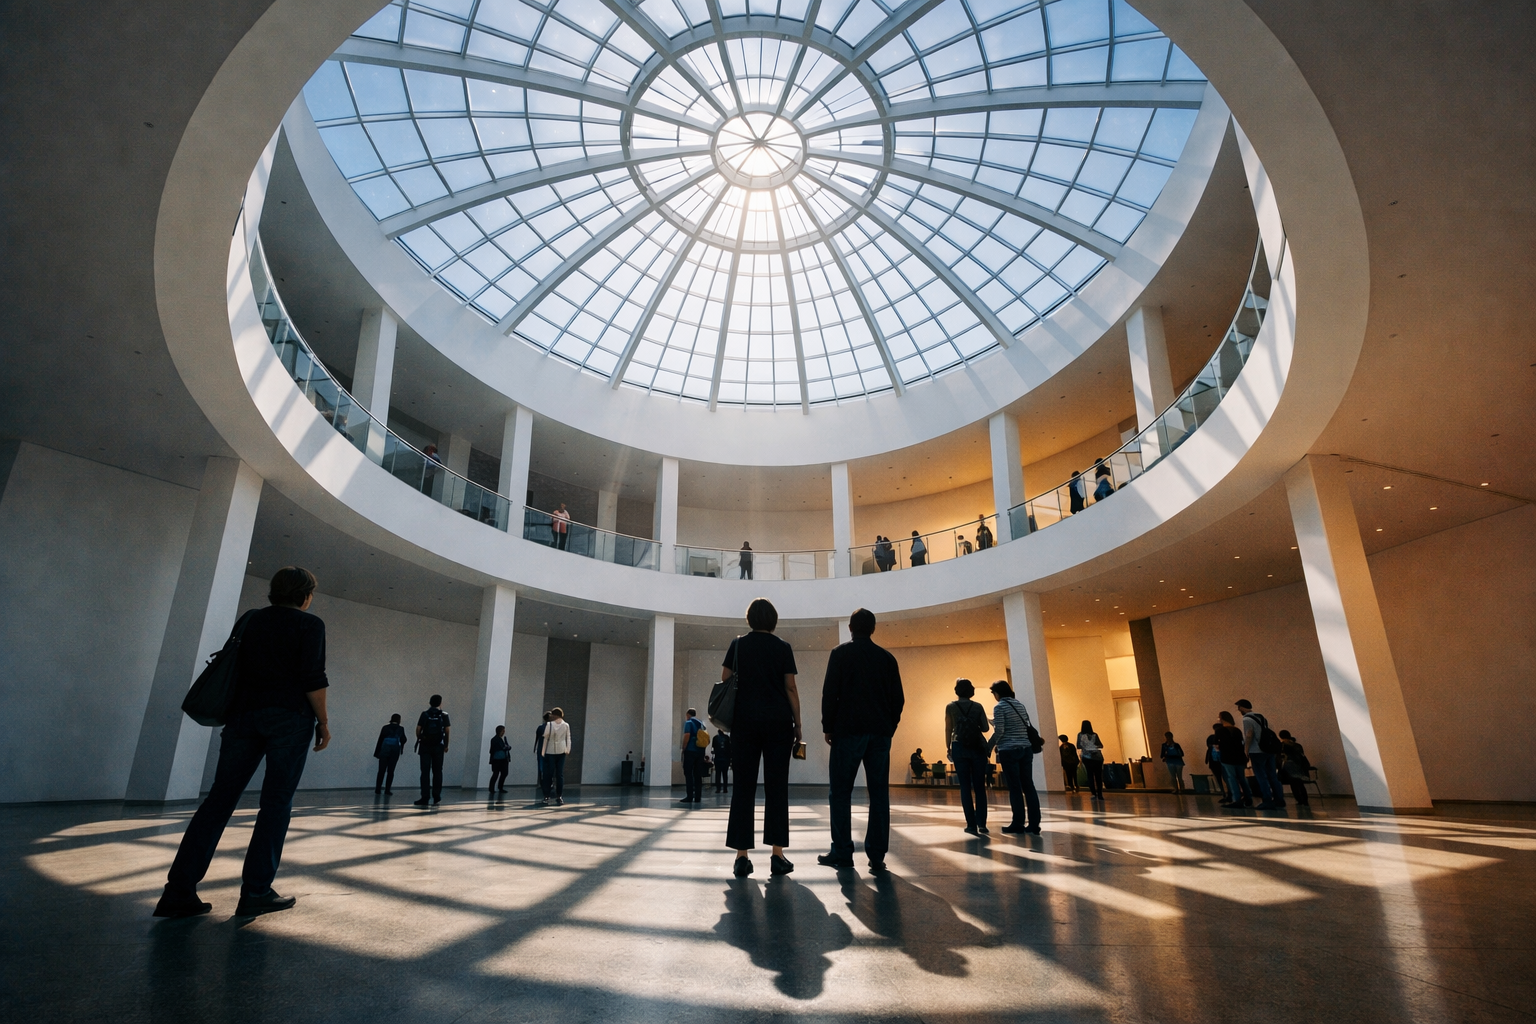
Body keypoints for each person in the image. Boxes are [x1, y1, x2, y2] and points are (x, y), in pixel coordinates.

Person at [153, 567, 330, 919]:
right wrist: (323, 722)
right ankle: (256, 891)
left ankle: (178, 891)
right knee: (276, 804)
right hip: (290, 720)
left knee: (218, 801)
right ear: (305, 596)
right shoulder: (310, 625)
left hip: (243, 717)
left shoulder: (250, 620)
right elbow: (313, 678)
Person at [819, 608, 904, 872]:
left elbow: (829, 693)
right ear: (873, 628)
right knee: (879, 794)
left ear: (851, 628)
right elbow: (898, 699)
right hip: (879, 733)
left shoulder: (840, 653)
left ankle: (842, 851)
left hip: (848, 732)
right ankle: (876, 854)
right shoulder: (887, 658)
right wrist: (889, 727)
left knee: (841, 792)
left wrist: (828, 727)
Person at [723, 598, 803, 878]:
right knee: (777, 787)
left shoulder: (738, 644)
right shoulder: (783, 647)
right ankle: (777, 855)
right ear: (773, 619)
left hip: (744, 724)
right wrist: (799, 726)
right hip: (778, 724)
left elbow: (725, 679)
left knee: (743, 787)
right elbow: (790, 687)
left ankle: (742, 857)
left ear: (749, 619)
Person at [988, 680, 1041, 835]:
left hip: (1009, 750)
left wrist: (989, 746)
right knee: (1028, 786)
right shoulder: (1019, 705)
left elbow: (1000, 731)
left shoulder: (999, 707)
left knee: (1015, 787)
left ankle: (1018, 822)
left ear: (997, 693)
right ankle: (1034, 824)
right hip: (1026, 749)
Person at [945, 679, 991, 835]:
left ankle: (970, 825)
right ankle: (982, 824)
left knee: (965, 786)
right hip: (977, 747)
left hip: (959, 746)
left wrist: (948, 747)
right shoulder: (977, 707)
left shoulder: (951, 707)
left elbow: (948, 728)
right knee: (979, 786)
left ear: (956, 690)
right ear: (972, 691)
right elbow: (985, 728)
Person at [1237, 699, 1286, 809]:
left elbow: (1249, 734)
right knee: (1272, 775)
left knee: (1261, 776)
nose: (1239, 710)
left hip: (1256, 750)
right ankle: (1279, 799)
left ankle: (1267, 799)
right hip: (1268, 750)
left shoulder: (1247, 719)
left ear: (1243, 707)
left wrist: (1246, 750)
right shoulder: (1261, 717)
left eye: (1239, 707)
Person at [413, 694, 451, 806]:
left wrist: (421, 739)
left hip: (425, 746)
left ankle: (424, 797)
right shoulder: (444, 715)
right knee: (437, 771)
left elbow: (418, 729)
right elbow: (447, 731)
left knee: (425, 772)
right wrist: (446, 745)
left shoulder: (425, 714)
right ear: (440, 703)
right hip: (438, 746)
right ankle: (436, 796)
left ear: (429, 702)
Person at [1215, 711, 1251, 808]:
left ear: (1222, 718)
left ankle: (1237, 799)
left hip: (1227, 757)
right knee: (1242, 778)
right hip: (1239, 757)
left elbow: (1217, 745)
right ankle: (1248, 797)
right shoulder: (1237, 730)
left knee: (1232, 778)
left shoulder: (1219, 731)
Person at [541, 706, 572, 806]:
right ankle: (559, 796)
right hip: (561, 751)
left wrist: (543, 751)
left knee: (549, 774)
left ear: (555, 715)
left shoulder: (550, 725)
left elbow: (545, 738)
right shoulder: (566, 725)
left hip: (551, 752)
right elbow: (568, 738)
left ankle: (547, 796)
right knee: (559, 774)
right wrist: (567, 749)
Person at [373, 713, 407, 795]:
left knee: (381, 771)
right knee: (391, 771)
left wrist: (377, 752)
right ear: (399, 720)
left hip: (384, 751)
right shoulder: (401, 729)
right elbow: (404, 739)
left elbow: (380, 740)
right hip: (394, 752)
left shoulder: (385, 728)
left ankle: (378, 788)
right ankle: (387, 790)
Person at [1278, 730, 1313, 806]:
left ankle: (1299, 800)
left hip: (1288, 769)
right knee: (1300, 784)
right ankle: (1305, 800)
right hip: (1300, 768)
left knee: (1293, 784)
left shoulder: (1282, 746)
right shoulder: (1297, 745)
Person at [680, 707, 707, 804]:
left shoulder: (688, 723)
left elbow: (687, 735)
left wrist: (683, 748)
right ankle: (698, 797)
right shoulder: (701, 723)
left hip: (690, 751)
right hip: (700, 751)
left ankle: (690, 796)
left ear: (688, 714)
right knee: (697, 774)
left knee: (688, 773)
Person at [1076, 721, 1105, 801]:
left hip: (1086, 756)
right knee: (1098, 776)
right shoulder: (1094, 735)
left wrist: (1086, 746)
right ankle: (1100, 794)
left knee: (1090, 775)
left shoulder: (1080, 735)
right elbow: (1101, 745)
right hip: (1097, 757)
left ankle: (1093, 793)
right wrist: (1093, 746)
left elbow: (1078, 746)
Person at [1205, 723, 1228, 800]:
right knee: (1222, 777)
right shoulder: (1213, 738)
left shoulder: (1212, 738)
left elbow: (1209, 748)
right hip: (1217, 761)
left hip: (1218, 760)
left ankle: (1226, 792)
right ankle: (1225, 793)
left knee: (1224, 777)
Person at [488, 725, 511, 795]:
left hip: (502, 759)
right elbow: (501, 748)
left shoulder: (500, 739)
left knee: (503, 773)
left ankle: (498, 787)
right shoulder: (495, 739)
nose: (504, 732)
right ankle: (493, 788)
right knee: (496, 774)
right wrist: (506, 747)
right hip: (497, 760)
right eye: (503, 731)